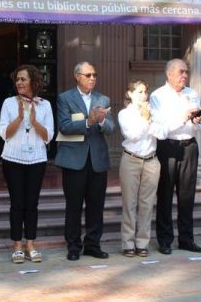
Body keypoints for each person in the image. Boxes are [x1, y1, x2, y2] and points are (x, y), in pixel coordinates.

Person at [54, 61, 115, 261]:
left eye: (94, 75)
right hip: (74, 160)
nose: (92, 78)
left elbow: (112, 128)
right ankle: (73, 246)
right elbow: (64, 126)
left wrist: (102, 120)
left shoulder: (103, 99)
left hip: (97, 159)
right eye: (88, 75)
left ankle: (92, 244)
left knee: (96, 205)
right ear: (77, 76)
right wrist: (88, 121)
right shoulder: (65, 98)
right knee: (74, 205)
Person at [0, 65, 54, 264]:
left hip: (37, 159)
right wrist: (21, 117)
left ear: (33, 81)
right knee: (17, 203)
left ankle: (30, 243)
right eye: (17, 79)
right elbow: (4, 133)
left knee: (32, 204)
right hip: (12, 159)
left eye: (23, 79)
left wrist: (33, 120)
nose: (19, 83)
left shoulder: (45, 105)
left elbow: (48, 136)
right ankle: (17, 245)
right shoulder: (8, 103)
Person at [150, 59, 201, 255]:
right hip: (168, 147)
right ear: (169, 74)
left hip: (189, 146)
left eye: (186, 72)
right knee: (165, 194)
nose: (185, 75)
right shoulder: (157, 96)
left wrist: (198, 120)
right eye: (181, 72)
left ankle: (186, 239)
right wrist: (183, 117)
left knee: (187, 196)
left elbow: (200, 125)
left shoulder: (192, 94)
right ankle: (165, 240)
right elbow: (161, 128)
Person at [118, 80, 161, 258]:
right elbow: (132, 135)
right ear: (130, 94)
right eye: (139, 92)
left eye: (145, 92)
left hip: (151, 160)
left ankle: (142, 242)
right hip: (131, 159)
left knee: (147, 204)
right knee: (130, 203)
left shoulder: (154, 112)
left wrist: (150, 118)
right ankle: (128, 243)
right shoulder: (124, 114)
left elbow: (161, 133)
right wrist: (145, 119)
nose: (143, 95)